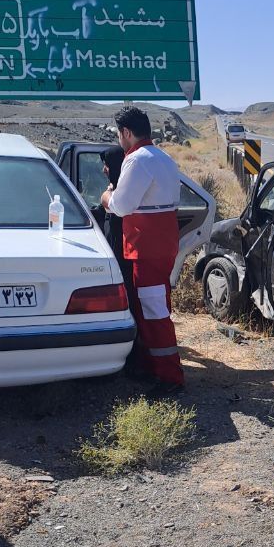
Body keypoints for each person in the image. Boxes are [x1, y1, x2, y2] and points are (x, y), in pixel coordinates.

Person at [101, 107, 184, 392]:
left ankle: (169, 376)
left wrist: (106, 196)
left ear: (126, 132)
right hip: (162, 245)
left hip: (146, 248)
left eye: (118, 134)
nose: (119, 140)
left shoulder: (136, 160)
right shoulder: (165, 158)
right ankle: (155, 368)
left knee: (154, 310)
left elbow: (121, 206)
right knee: (156, 306)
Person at [91, 146, 133, 296]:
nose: (104, 170)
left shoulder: (123, 190)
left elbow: (115, 207)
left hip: (122, 248)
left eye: (107, 166)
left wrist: (107, 195)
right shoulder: (116, 186)